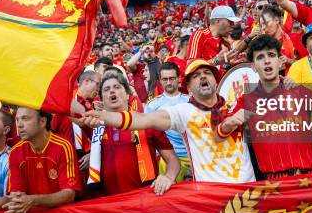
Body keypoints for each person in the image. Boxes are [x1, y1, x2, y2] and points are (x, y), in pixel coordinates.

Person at [79, 59, 255, 183]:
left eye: (207, 73)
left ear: (216, 81)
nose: (203, 77)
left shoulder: (237, 106)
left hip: (249, 190)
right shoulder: (183, 112)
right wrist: (103, 116)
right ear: (188, 86)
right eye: (196, 75)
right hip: (211, 195)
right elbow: (143, 119)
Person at [218, 35, 312, 179]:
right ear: (253, 67)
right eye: (260, 57)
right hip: (275, 184)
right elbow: (218, 135)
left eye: (272, 55)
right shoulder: (246, 100)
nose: (267, 60)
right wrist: (229, 123)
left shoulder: (299, 91)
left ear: (280, 62)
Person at [78, 71, 179, 196]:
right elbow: (72, 109)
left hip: (145, 199)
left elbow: (172, 159)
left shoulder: (147, 122)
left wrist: (168, 177)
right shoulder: (95, 124)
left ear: (127, 94)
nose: (111, 91)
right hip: (107, 203)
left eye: (117, 87)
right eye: (106, 89)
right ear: (101, 99)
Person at [3, 107, 81, 213]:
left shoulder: (63, 146)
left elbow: (69, 195)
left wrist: (33, 200)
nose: (19, 125)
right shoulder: (15, 152)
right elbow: (17, 195)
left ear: (42, 122)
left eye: (25, 119)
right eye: (18, 120)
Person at [145, 62, 190, 182]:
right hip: (167, 160)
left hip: (192, 157)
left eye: (172, 78)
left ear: (179, 78)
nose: (169, 82)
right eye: (165, 79)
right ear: (159, 80)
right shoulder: (153, 105)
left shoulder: (191, 101)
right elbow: (149, 135)